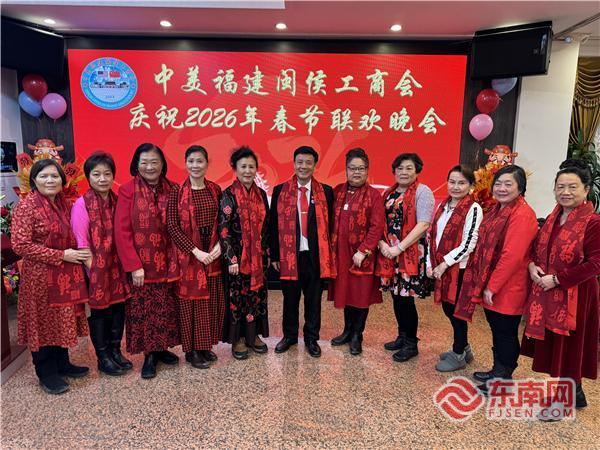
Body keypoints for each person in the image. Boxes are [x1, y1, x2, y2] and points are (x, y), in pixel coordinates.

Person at [522, 160, 600, 411]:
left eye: (572, 187)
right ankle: (575, 393)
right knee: (560, 345)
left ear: (586, 190)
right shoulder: (554, 217)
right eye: (560, 187)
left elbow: (596, 263)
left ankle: (565, 398)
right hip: (549, 291)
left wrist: (557, 280)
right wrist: (532, 266)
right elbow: (537, 248)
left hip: (578, 293)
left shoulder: (593, 222)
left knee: (571, 347)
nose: (565, 192)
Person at [455, 164, 538, 392]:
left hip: (509, 286)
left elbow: (512, 256)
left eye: (508, 184)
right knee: (497, 328)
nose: (501, 188)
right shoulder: (498, 209)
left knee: (506, 331)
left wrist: (491, 286)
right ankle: (497, 370)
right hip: (494, 282)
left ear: (520, 187)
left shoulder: (522, 214)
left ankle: (503, 378)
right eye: (498, 183)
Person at [11, 159, 90, 394]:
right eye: (44, 176)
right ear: (34, 180)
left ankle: (63, 364)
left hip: (63, 275)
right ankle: (46, 373)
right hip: (40, 278)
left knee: (60, 321)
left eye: (55, 176)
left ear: (62, 180)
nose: (50, 180)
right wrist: (61, 255)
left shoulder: (64, 203)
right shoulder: (27, 206)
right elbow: (20, 245)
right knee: (43, 324)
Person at [114, 143, 180, 379]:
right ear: (136, 165)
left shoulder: (174, 189)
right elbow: (122, 231)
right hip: (141, 266)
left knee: (166, 309)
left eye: (154, 162)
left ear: (162, 164)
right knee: (144, 311)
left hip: (169, 263)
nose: (149, 167)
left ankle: (162, 349)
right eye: (144, 162)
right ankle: (149, 355)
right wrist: (134, 266)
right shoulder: (127, 190)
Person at [270, 146, 335, 358]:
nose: (303, 166)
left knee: (313, 300)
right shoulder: (280, 191)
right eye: (300, 162)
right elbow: (272, 225)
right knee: (290, 299)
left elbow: (331, 226)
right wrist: (274, 255)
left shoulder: (326, 192)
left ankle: (311, 338)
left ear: (315, 165)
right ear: (294, 163)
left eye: (308, 162)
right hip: (290, 255)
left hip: (316, 256)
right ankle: (289, 336)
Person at [71, 152, 132, 376]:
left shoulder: (118, 201)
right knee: (100, 313)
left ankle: (115, 351)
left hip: (118, 268)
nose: (102, 179)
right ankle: (103, 357)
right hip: (95, 269)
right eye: (96, 174)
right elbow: (82, 243)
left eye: (107, 174)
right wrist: (96, 271)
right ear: (88, 177)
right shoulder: (82, 204)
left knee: (118, 309)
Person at [167, 145, 224, 369]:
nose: (195, 165)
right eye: (191, 161)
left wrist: (219, 245)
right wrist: (196, 251)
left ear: (207, 164)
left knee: (209, 301)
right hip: (189, 256)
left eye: (200, 161)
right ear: (185, 163)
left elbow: (224, 221)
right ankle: (191, 351)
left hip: (212, 251)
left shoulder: (215, 189)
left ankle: (204, 346)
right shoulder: (177, 191)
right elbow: (172, 226)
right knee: (191, 302)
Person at [377, 153, 434, 362]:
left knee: (406, 299)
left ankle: (411, 343)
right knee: (396, 297)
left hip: (409, 254)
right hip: (389, 253)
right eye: (400, 168)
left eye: (409, 168)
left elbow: (424, 224)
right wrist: (382, 244)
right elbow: (379, 222)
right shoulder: (388, 193)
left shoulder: (423, 191)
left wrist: (399, 248)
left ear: (417, 171)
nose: (404, 172)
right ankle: (401, 336)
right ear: (394, 171)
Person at [328, 148, 385, 355]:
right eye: (352, 168)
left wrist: (364, 250)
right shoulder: (337, 191)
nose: (356, 172)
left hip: (362, 256)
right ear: (346, 170)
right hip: (341, 255)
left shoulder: (374, 195)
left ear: (367, 170)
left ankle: (357, 335)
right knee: (346, 293)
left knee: (360, 296)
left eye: (361, 168)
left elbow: (377, 227)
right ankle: (347, 331)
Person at [427, 165, 482, 372]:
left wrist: (444, 263)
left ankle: (458, 354)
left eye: (461, 183)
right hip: (442, 267)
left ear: (470, 185)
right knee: (448, 308)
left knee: (457, 312)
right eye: (452, 182)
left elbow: (469, 243)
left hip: (460, 269)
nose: (456, 187)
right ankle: (464, 348)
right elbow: (432, 236)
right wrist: (430, 263)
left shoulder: (473, 208)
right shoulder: (443, 206)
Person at [218, 146, 270, 360]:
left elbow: (266, 228)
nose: (247, 171)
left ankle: (253, 335)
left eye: (251, 166)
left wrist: (267, 254)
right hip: (237, 261)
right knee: (237, 299)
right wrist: (231, 259)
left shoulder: (261, 194)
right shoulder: (228, 195)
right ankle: (238, 338)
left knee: (256, 297)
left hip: (258, 259)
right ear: (235, 169)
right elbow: (223, 230)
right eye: (243, 166)